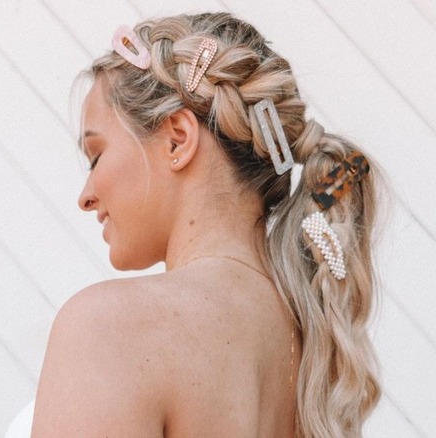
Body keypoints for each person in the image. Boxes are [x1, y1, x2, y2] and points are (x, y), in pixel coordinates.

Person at [27, 12, 381, 438]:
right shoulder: (314, 351)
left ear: (178, 138)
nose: (85, 197)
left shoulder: (110, 328)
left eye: (96, 156)